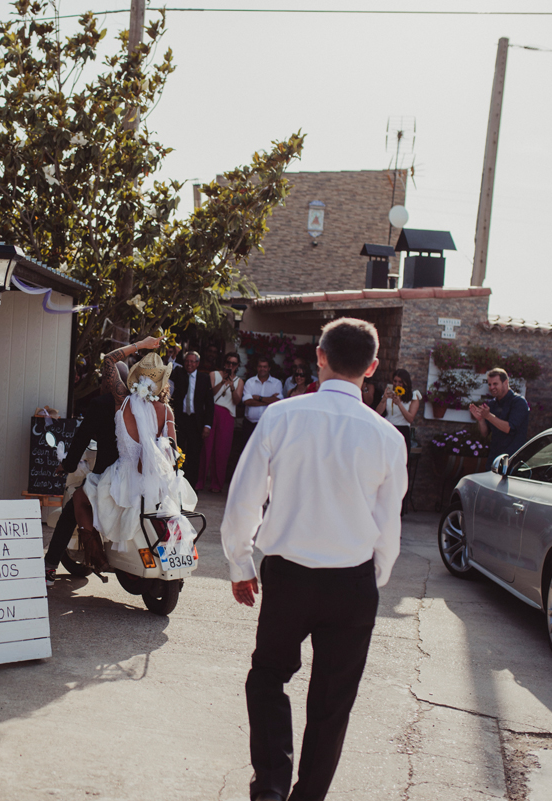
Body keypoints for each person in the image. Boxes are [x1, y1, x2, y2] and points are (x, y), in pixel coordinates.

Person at [221, 318, 408, 801]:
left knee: (267, 677)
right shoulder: (388, 437)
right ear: (371, 367)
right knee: (333, 701)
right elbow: (389, 525)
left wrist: (241, 564)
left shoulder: (281, 417)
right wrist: (373, 579)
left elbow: (244, 499)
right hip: (352, 580)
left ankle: (271, 789)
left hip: (288, 576)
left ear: (320, 356)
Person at [84, 335, 198, 554]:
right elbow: (174, 452)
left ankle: (94, 551)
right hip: (156, 484)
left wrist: (141, 345)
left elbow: (108, 360)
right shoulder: (166, 411)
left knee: (83, 494)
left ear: (137, 379)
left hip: (124, 480)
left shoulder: (122, 400)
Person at [44, 363, 127, 587]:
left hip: (107, 477)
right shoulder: (136, 402)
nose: (100, 385)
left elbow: (82, 438)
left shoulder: (100, 404)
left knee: (71, 511)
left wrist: (68, 465)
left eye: (103, 380)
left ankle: (49, 567)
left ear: (109, 381)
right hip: (135, 479)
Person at [198, 351, 244, 493]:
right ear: (224, 363)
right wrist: (223, 381)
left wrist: (231, 385)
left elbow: (237, 401)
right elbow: (210, 394)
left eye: (234, 364)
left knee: (222, 450)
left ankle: (216, 484)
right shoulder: (214, 375)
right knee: (206, 447)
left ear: (237, 366)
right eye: (228, 363)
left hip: (227, 415)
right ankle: (200, 481)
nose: (230, 366)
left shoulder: (239, 381)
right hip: (212, 412)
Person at [469, 367, 530, 462]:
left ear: (505, 383)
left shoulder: (519, 402)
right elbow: (485, 433)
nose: (491, 387)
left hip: (512, 460)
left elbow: (508, 428)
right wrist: (481, 419)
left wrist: (488, 416)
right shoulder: (492, 404)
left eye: (495, 384)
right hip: (494, 459)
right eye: (489, 384)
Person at [171, 350, 213, 488]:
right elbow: (168, 369)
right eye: (187, 361)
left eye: (192, 361)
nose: (189, 364)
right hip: (181, 420)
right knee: (178, 452)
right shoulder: (178, 373)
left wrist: (207, 425)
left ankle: (191, 487)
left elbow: (209, 403)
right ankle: (177, 484)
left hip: (196, 422)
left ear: (197, 363)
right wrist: (172, 356)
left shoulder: (204, 378)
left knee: (194, 455)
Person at [375, 368, 421, 452]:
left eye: (400, 382)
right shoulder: (390, 393)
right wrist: (384, 399)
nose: (397, 384)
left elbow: (410, 419)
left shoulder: (413, 396)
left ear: (405, 382)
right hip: (388, 428)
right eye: (395, 381)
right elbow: (377, 413)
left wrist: (399, 404)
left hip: (402, 430)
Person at [241, 357, 283, 447]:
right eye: (260, 366)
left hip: (268, 425)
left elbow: (278, 401)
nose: (262, 369)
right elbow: (247, 401)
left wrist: (259, 398)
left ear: (269, 368)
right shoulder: (249, 382)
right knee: (248, 451)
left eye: (265, 367)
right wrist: (269, 400)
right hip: (250, 425)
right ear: (257, 367)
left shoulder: (277, 383)